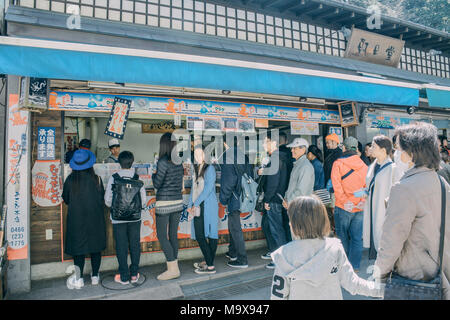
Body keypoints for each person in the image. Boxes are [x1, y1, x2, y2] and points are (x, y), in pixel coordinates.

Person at [374, 122, 450, 300]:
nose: (396, 152)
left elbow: (391, 240)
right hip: (440, 273)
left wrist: (379, 273)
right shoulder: (441, 183)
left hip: (412, 277)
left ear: (412, 152)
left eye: (399, 147)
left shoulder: (404, 188)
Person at [270, 196, 383, 300]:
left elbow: (277, 297)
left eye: (291, 220)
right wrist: (388, 290)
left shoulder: (283, 255)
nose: (289, 223)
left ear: (295, 224)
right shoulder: (334, 248)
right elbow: (353, 284)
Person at [62, 149, 106, 289]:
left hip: (77, 219)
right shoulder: (97, 179)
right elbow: (101, 198)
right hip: (95, 218)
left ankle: (79, 279)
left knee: (78, 249)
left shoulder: (70, 180)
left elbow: (66, 199)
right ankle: (95, 276)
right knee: (95, 247)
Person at [105, 151, 146, 285]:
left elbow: (107, 200)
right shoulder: (137, 177)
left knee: (121, 246)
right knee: (134, 245)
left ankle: (123, 276)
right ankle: (134, 274)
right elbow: (143, 201)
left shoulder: (114, 177)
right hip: (135, 218)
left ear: (119, 162)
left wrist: (118, 208)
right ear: (132, 162)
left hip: (118, 218)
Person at [331, 136, 368, 271]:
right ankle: (355, 266)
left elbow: (337, 187)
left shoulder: (338, 164)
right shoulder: (364, 165)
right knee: (357, 238)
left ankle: (344, 267)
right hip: (359, 207)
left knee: (342, 237)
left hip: (343, 207)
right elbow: (366, 187)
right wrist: (361, 202)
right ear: (356, 149)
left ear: (344, 148)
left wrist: (346, 202)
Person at [152, 132, 185, 280]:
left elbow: (157, 184)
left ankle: (172, 269)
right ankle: (173, 266)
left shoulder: (162, 162)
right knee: (172, 235)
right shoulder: (179, 161)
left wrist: (154, 175)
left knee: (161, 235)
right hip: (177, 202)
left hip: (164, 203)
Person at [219, 135, 254, 268]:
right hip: (243, 195)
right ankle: (233, 252)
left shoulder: (227, 156)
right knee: (233, 226)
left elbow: (228, 181)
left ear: (224, 143)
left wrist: (223, 198)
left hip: (234, 197)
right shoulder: (242, 155)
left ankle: (242, 259)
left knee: (235, 228)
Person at [258, 132, 289, 269]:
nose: (264, 145)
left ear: (274, 143)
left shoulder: (275, 158)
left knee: (276, 230)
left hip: (274, 199)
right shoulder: (280, 158)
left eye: (266, 142)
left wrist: (267, 199)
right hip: (279, 198)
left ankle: (280, 260)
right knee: (277, 229)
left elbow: (273, 182)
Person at [188, 145, 219, 275]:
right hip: (197, 206)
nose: (197, 157)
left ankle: (210, 265)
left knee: (211, 235)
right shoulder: (195, 169)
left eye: (200, 154)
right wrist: (190, 205)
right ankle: (208, 261)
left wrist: (196, 203)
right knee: (200, 235)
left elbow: (208, 189)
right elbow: (192, 190)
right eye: (195, 154)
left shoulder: (210, 168)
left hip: (208, 206)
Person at [362, 135, 394, 261]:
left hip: (383, 211)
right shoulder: (373, 165)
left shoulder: (392, 168)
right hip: (371, 208)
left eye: (374, 146)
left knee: (381, 241)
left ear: (383, 150)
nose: (371, 148)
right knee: (373, 238)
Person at [282, 138, 314, 211]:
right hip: (295, 206)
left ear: (303, 149)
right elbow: (292, 186)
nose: (292, 150)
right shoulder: (298, 165)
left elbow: (301, 190)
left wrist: (289, 201)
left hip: (301, 208)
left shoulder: (306, 166)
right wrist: (286, 199)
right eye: (292, 148)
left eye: (294, 148)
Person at [278, 131, 293, 243]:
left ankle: (285, 245)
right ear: (286, 141)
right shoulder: (291, 154)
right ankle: (290, 242)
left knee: (282, 220)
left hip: (280, 191)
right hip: (290, 189)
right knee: (289, 220)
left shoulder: (276, 154)